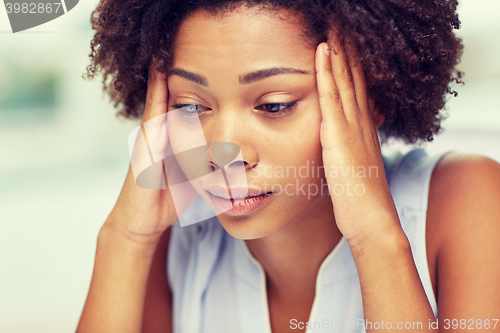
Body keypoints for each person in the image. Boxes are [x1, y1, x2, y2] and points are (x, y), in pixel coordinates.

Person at [76, 1, 500, 332]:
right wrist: (125, 239)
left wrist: (374, 236)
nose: (224, 153)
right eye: (191, 106)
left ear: (371, 97)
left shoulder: (467, 201)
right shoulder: (171, 242)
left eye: (274, 105)